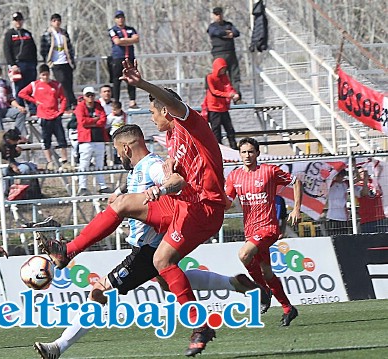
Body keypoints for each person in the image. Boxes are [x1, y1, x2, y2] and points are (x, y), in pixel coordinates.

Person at [41, 59, 231, 356]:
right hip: (182, 207)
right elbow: (180, 175)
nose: (153, 118)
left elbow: (179, 178)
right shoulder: (171, 138)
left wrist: (140, 84)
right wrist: (169, 175)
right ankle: (69, 252)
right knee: (132, 219)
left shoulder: (191, 125)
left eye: (154, 112)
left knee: (161, 261)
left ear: (167, 110)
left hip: (203, 208)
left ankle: (201, 323)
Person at [34, 124, 258, 359]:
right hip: (149, 245)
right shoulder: (137, 171)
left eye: (118, 150)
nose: (118, 155)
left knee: (99, 290)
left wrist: (160, 189)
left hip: (147, 251)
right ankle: (234, 284)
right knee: (166, 281)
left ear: (126, 148)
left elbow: (175, 181)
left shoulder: (151, 166)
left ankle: (58, 347)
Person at [224, 137, 302, 327]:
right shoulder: (234, 176)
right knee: (267, 272)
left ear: (257, 153)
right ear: (239, 154)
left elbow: (296, 181)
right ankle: (288, 308)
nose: (247, 155)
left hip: (268, 228)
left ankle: (262, 291)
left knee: (243, 255)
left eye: (251, 151)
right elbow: (227, 204)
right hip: (250, 230)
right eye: (243, 152)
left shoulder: (269, 171)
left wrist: (296, 208)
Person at [18, 64, 70, 171]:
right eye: (43, 75)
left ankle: (65, 161)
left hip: (55, 115)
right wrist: (34, 101)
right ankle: (50, 162)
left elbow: (63, 98)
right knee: (46, 140)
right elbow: (22, 93)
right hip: (43, 116)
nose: (45, 77)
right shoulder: (35, 85)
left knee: (61, 139)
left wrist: (61, 110)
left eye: (46, 74)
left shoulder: (56, 85)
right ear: (40, 75)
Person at [74, 86, 110, 195]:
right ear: (84, 96)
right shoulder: (80, 107)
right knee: (84, 164)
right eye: (88, 95)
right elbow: (82, 121)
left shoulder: (98, 105)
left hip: (98, 138)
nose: (90, 97)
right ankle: (83, 187)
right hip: (86, 140)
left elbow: (103, 120)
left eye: (92, 95)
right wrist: (95, 120)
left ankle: (102, 185)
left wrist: (92, 122)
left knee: (100, 164)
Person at [3, 11, 38, 115]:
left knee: (30, 87)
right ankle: (21, 108)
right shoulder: (10, 34)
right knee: (19, 88)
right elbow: (7, 50)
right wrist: (12, 64)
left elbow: (33, 49)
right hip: (17, 65)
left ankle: (32, 109)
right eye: (16, 20)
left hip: (30, 64)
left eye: (19, 20)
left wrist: (34, 63)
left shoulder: (27, 33)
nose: (18, 22)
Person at [40, 13, 76, 110]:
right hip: (55, 62)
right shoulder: (47, 34)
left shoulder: (63, 33)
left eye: (58, 21)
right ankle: (67, 104)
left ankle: (73, 103)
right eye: (55, 21)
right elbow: (43, 49)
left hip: (66, 61)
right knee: (62, 82)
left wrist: (72, 60)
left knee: (69, 82)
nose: (57, 23)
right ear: (51, 22)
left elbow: (69, 47)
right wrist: (47, 61)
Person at [0, 129, 37, 196]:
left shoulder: (11, 142)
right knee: (4, 171)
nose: (16, 142)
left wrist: (17, 152)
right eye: (15, 141)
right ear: (9, 140)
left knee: (25, 168)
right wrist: (12, 165)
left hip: (11, 163)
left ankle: (23, 193)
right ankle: (4, 193)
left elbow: (12, 155)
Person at [0, 64, 28, 136]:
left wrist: (19, 106)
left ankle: (17, 134)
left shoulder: (5, 83)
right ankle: (2, 135)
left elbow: (11, 99)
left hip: (5, 109)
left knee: (21, 112)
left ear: (0, 73)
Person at [207, 6, 242, 100]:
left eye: (220, 14)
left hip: (231, 53)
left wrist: (229, 33)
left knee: (235, 75)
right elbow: (215, 33)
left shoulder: (228, 24)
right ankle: (221, 98)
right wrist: (227, 33)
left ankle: (237, 97)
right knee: (218, 77)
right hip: (219, 54)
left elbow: (236, 32)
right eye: (216, 14)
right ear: (213, 15)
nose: (219, 16)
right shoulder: (212, 26)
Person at [205, 57, 239, 149]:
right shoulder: (210, 77)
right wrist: (229, 95)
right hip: (214, 108)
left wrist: (234, 93)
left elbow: (228, 86)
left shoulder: (224, 77)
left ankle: (234, 149)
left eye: (224, 69)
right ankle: (219, 151)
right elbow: (214, 91)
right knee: (216, 132)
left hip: (223, 107)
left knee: (230, 130)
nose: (223, 71)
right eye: (221, 69)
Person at [108, 10, 139, 109]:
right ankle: (116, 102)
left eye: (122, 17)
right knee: (116, 80)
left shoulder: (131, 29)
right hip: (118, 57)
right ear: (115, 19)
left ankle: (132, 101)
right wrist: (129, 41)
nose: (120, 19)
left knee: (132, 78)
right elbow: (117, 42)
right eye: (118, 17)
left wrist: (123, 41)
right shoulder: (113, 30)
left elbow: (136, 39)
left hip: (129, 56)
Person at [355, 166, 388, 233]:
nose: (364, 173)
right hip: (367, 220)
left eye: (365, 171)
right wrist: (365, 180)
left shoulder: (374, 182)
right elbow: (364, 193)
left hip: (380, 218)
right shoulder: (356, 186)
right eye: (361, 172)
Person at [325, 169, 350, 235]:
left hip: (343, 217)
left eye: (343, 176)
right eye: (339, 175)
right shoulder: (331, 183)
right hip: (333, 217)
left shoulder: (345, 184)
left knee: (344, 237)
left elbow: (357, 179)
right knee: (334, 237)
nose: (341, 177)